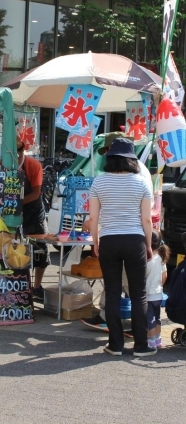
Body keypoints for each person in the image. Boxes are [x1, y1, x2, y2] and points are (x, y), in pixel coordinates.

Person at [88, 137, 155, 357]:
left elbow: (94, 218)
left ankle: (115, 345)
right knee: (138, 295)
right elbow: (147, 220)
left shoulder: (99, 182)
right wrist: (148, 244)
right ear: (131, 160)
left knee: (113, 293)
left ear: (111, 158)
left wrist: (96, 242)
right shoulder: (142, 182)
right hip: (135, 239)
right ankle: (141, 346)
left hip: (109, 240)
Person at [17, 134, 50, 301]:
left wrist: (16, 203)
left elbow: (36, 193)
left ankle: (37, 286)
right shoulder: (2, 165)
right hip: (14, 212)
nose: (14, 156)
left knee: (40, 249)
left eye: (17, 151)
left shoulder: (33, 165)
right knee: (17, 250)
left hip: (34, 210)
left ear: (22, 150)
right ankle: (21, 285)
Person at [146, 230, 169, 349]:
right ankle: (158, 339)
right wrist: (160, 286)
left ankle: (151, 341)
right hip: (158, 294)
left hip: (148, 295)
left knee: (149, 319)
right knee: (158, 317)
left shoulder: (147, 259)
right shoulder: (160, 258)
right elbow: (164, 276)